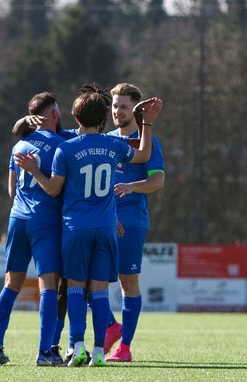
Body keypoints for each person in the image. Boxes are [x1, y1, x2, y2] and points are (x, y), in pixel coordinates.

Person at [16, 84, 163, 367]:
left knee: (74, 287)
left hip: (76, 227)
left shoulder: (67, 147)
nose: (119, 110)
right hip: (107, 226)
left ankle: (77, 345)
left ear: (76, 117)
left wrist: (34, 170)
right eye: (115, 106)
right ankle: (98, 351)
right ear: (105, 115)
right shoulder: (113, 144)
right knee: (98, 290)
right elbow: (142, 154)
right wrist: (149, 123)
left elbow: (53, 188)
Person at [0, 92, 69, 367]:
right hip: (45, 221)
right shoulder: (61, 145)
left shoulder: (18, 146)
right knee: (48, 286)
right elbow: (58, 188)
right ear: (54, 114)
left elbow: (12, 190)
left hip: (17, 219)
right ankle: (45, 351)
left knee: (11, 284)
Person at [102, 83, 166, 363]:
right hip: (101, 220)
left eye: (123, 106)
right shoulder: (104, 139)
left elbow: (158, 180)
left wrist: (132, 186)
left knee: (128, 281)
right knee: (92, 279)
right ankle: (109, 327)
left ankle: (125, 346)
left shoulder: (146, 140)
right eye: (115, 106)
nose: (118, 111)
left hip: (131, 221)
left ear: (135, 109)